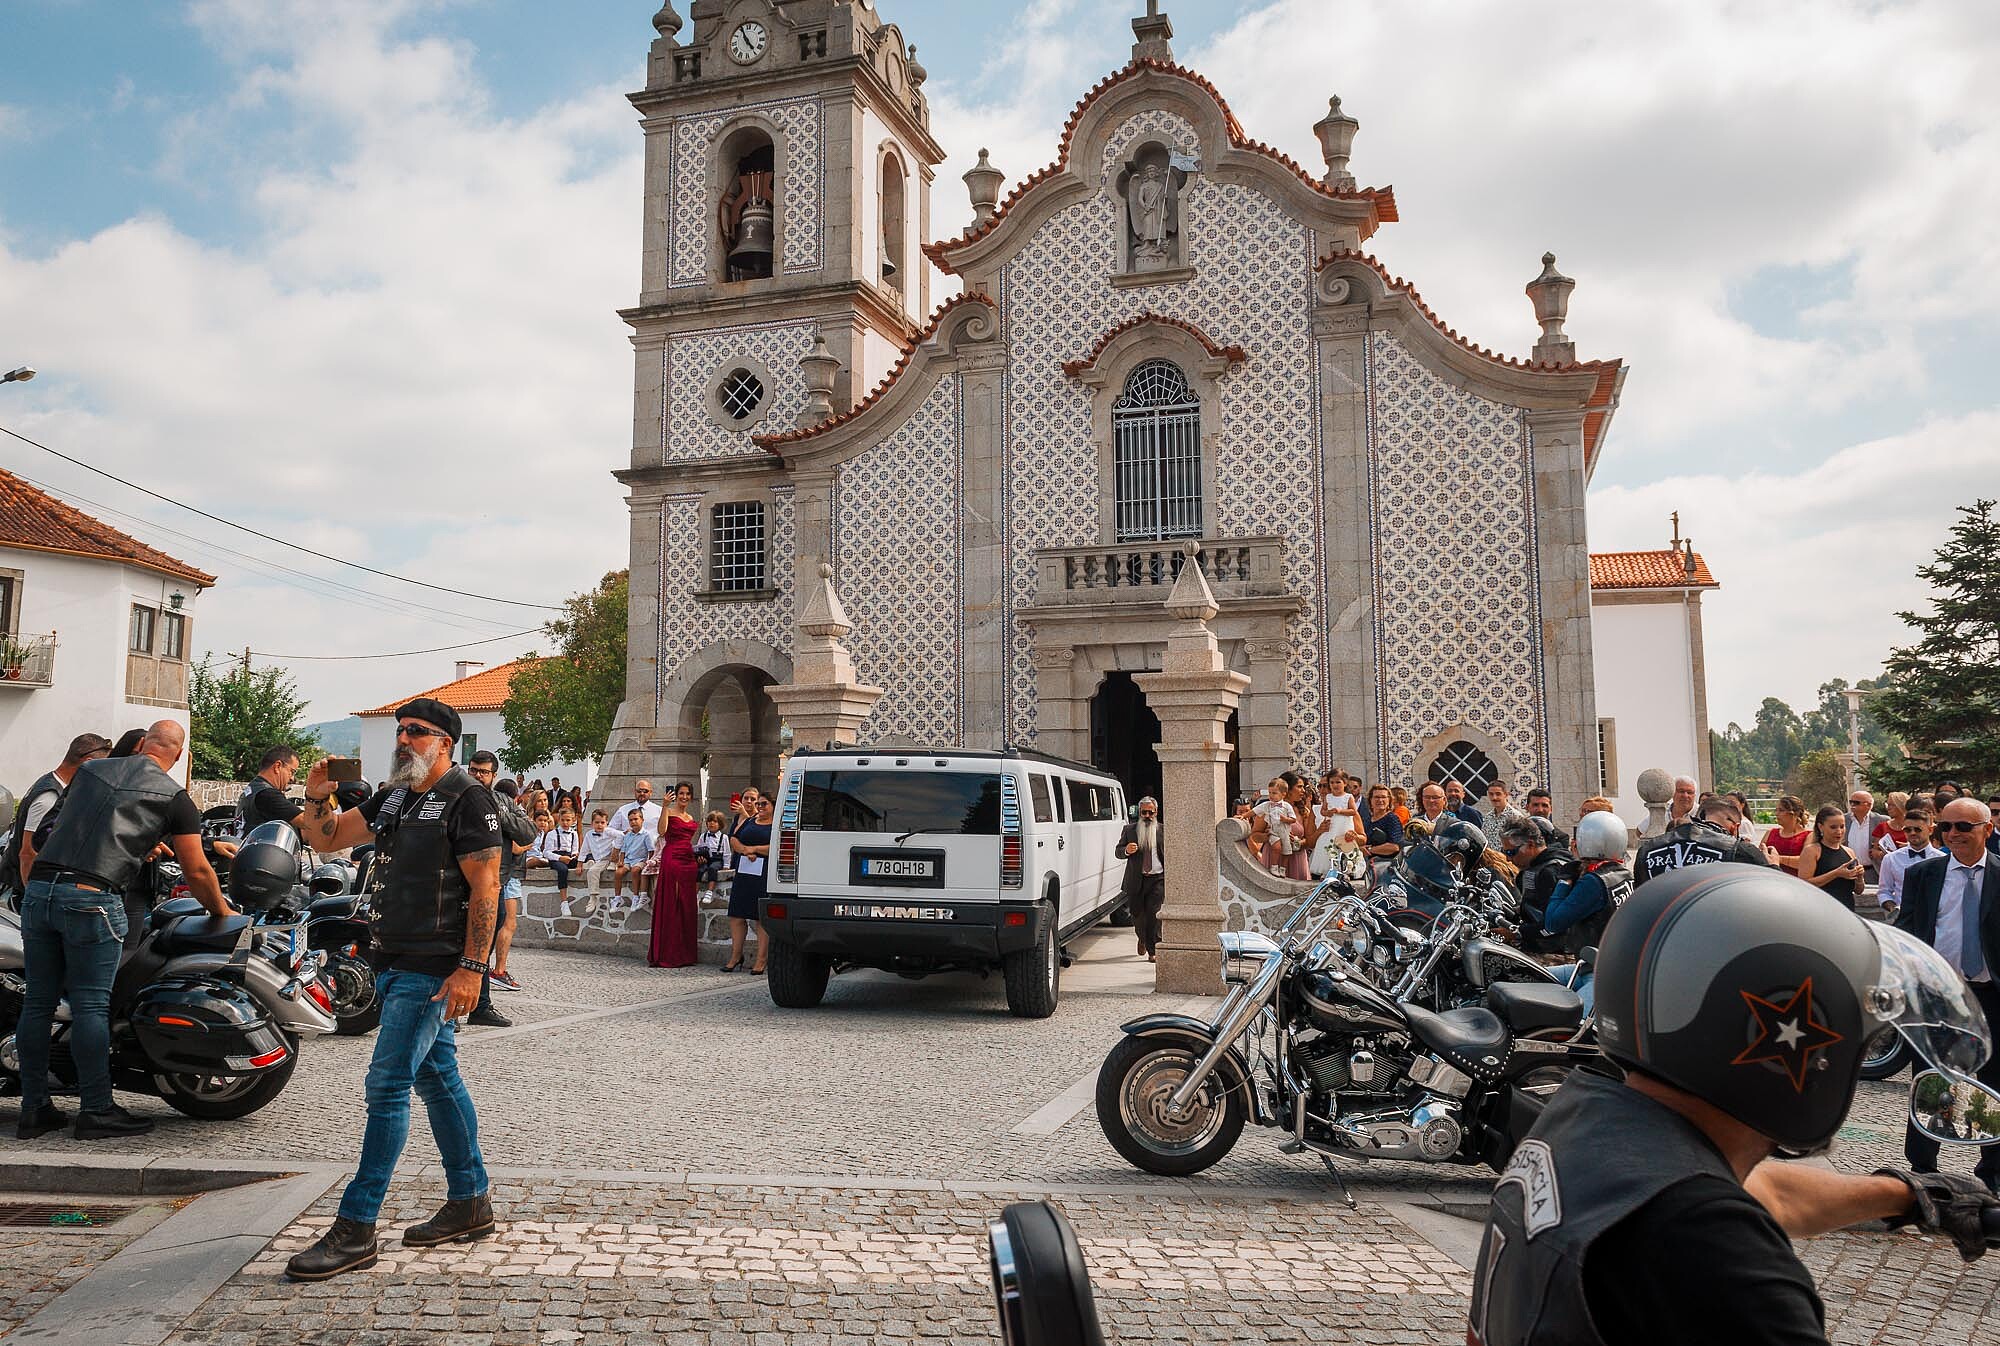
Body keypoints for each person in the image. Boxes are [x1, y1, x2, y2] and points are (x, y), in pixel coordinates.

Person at [1469, 865, 2000, 1345]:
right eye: (1850, 1046)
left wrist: (1909, 1195)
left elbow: (1757, 1190)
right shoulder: (1718, 1256)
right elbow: (1716, 1212)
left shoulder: (1590, 1117)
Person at [283, 698, 502, 1281]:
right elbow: (326, 839)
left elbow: (487, 889)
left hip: (433, 966)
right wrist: (314, 794)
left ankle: (357, 1227)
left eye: (418, 732)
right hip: (391, 956)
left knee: (387, 1084)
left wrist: (472, 970)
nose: (404, 740)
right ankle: (470, 1201)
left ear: (446, 742)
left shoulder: (468, 797)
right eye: (401, 731)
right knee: (437, 1076)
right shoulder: (393, 796)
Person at [12, 721, 231, 1142]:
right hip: (92, 897)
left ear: (143, 744)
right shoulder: (174, 796)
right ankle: (96, 1110)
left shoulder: (91, 772)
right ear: (179, 755)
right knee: (92, 1006)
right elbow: (197, 869)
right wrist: (221, 909)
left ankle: (34, 1109)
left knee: (38, 1004)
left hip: (41, 891)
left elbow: (48, 832)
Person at [1891, 797, 2000, 1192]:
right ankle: (1922, 1169)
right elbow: (1907, 930)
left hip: (1991, 998)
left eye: (1963, 827)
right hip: (1939, 996)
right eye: (1946, 827)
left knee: (1993, 1084)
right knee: (1931, 1079)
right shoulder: (1924, 874)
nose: (1953, 834)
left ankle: (1991, 1173)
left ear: (1987, 829)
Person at [1538, 811, 1633, 1012]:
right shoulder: (1623, 874)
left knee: (1573, 1025)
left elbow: (1553, 922)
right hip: (1604, 965)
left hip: (1595, 972)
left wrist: (1564, 881)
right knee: (1528, 975)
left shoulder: (1593, 881)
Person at [466, 755, 535, 1026]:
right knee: (459, 946)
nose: (477, 776)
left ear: (494, 775)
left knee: (484, 945)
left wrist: (500, 815)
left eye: (483, 772)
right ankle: (449, 1009)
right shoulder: (454, 798)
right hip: (461, 883)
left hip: (496, 883)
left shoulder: (504, 801)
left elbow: (528, 833)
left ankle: (480, 1006)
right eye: (473, 770)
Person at [4, 732, 110, 899]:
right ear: (88, 764)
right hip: (22, 892)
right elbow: (28, 853)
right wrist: (34, 896)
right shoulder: (50, 796)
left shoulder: (53, 784)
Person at [1633, 794, 1767, 884]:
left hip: (1663, 924)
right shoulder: (1741, 850)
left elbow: (1639, 898)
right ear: (1734, 828)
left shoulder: (1647, 850)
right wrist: (1773, 865)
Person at [1499, 815, 1570, 954]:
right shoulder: (1535, 866)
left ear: (1530, 845)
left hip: (1554, 952)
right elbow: (1535, 907)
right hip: (1539, 944)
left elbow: (1557, 925)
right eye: (1504, 852)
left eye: (1510, 852)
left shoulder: (1550, 871)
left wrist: (1516, 933)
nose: (1507, 858)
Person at [650, 782, 699, 968]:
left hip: (689, 859)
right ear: (675, 795)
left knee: (686, 905)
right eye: (681, 793)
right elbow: (661, 831)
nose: (684, 797)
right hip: (672, 857)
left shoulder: (690, 816)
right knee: (672, 902)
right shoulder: (669, 812)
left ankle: (685, 953)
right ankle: (669, 953)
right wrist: (664, 806)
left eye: (687, 794)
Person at [729, 794, 773, 974]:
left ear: (772, 806)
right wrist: (746, 851)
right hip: (744, 872)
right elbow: (733, 838)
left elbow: (777, 846)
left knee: (759, 917)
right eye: (758, 803)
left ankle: (762, 960)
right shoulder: (750, 820)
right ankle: (735, 956)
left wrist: (754, 849)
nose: (760, 806)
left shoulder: (776, 823)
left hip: (763, 874)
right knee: (737, 915)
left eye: (764, 803)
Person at [1117, 796, 1165, 961]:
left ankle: (1153, 951)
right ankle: (1142, 939)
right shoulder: (1129, 830)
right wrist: (1126, 850)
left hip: (1157, 879)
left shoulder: (1163, 830)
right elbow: (1118, 851)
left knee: (1154, 915)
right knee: (1138, 916)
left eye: (1150, 812)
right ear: (1139, 813)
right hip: (1136, 880)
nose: (1147, 816)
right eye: (1144, 812)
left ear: (1156, 812)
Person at [1877, 807, 1943, 918]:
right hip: (1903, 919)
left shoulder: (1943, 859)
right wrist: (1894, 909)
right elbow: (1884, 892)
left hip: (1936, 919)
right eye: (1907, 830)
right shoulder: (1891, 859)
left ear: (1930, 830)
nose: (1912, 833)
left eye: (1917, 829)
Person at [1799, 803, 1865, 910]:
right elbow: (1804, 884)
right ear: (1821, 827)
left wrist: (1859, 877)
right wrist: (1836, 873)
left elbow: (1858, 890)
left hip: (1846, 908)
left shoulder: (1849, 852)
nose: (1839, 831)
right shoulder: (1812, 851)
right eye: (1833, 827)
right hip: (1820, 909)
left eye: (1842, 826)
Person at [238, 746, 306, 834]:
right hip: (260, 847)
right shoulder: (267, 794)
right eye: (292, 772)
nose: (292, 778)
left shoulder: (253, 788)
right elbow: (307, 822)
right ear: (277, 766)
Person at [1251, 778, 1300, 876]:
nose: (1302, 790)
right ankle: (1274, 867)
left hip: (1297, 858)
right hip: (1272, 850)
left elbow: (1310, 840)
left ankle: (1282, 869)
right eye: (1299, 787)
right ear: (1289, 791)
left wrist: (1298, 841)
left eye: (1274, 793)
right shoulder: (1266, 806)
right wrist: (1267, 836)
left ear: (1283, 793)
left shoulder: (1301, 809)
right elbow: (1254, 836)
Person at [578, 809, 618, 915]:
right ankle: (593, 896)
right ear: (592, 823)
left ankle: (593, 897)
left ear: (607, 823)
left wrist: (616, 850)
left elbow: (622, 836)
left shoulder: (609, 831)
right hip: (599, 859)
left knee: (592, 871)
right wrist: (579, 864)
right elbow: (584, 850)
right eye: (597, 822)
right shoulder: (589, 835)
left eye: (602, 822)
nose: (600, 825)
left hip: (610, 857)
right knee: (593, 868)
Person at [1360, 784, 1404, 876]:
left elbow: (1394, 847)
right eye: (1376, 797)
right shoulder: (1367, 821)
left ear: (1389, 800)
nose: (1380, 800)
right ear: (1370, 800)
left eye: (1383, 797)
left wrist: (1370, 849)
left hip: (1386, 869)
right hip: (1369, 868)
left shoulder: (1392, 819)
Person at [1844, 789, 1888, 884]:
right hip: (1848, 872)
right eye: (1851, 802)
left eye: (1855, 802)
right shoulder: (1844, 820)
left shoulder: (1882, 821)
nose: (1852, 805)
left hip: (1873, 872)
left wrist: (1880, 853)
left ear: (1868, 805)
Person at [613, 807, 653, 907]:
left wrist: (649, 862)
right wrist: (621, 861)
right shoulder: (627, 836)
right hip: (628, 860)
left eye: (636, 819)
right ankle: (617, 898)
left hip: (640, 860)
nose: (633, 822)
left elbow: (651, 850)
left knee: (635, 870)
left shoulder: (646, 835)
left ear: (642, 820)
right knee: (618, 873)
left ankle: (635, 896)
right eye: (631, 820)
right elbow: (623, 850)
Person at [1762, 795, 1811, 875]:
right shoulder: (1770, 833)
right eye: (1776, 810)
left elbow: (1806, 862)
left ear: (1795, 813)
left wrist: (1778, 859)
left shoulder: (1809, 836)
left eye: (1781, 810)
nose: (1777, 814)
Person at [1872, 791, 1911, 865]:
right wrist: (1883, 854)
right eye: (1887, 805)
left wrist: (1911, 847)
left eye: (1891, 805)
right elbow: (1874, 851)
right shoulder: (1882, 827)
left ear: (1902, 805)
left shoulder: (1915, 826)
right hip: (1891, 867)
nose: (1888, 808)